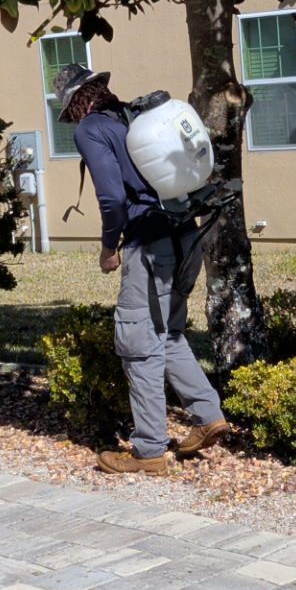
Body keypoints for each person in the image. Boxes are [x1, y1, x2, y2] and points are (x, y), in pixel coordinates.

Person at [54, 62, 230, 473]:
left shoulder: (91, 129)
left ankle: (148, 451)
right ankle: (208, 417)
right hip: (186, 234)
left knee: (138, 344)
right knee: (167, 333)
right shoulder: (131, 118)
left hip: (148, 244)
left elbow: (112, 197)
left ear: (76, 102)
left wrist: (107, 245)